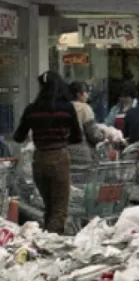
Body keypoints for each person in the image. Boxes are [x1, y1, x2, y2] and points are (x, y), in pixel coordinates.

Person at [12, 72, 83, 234]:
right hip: (59, 157)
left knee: (48, 206)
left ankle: (46, 238)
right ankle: (50, 241)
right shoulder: (67, 109)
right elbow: (77, 137)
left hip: (39, 159)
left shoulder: (32, 109)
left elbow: (18, 137)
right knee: (59, 209)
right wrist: (61, 138)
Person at [68, 81, 105, 167]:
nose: (87, 96)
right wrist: (103, 135)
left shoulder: (64, 107)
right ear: (79, 94)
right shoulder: (84, 108)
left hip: (66, 154)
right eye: (86, 93)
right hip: (82, 154)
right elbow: (94, 135)